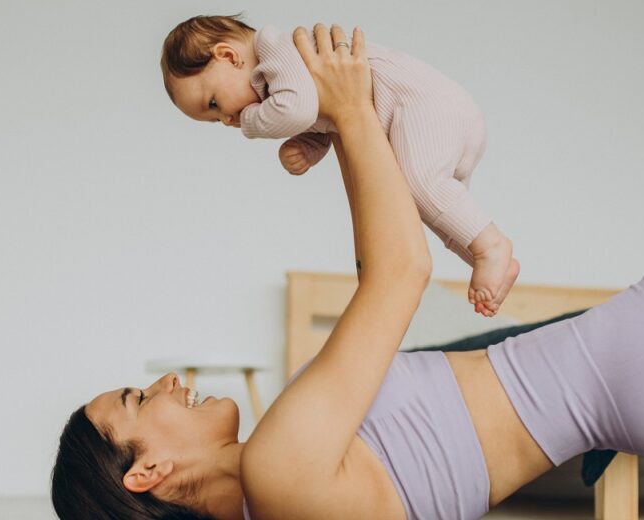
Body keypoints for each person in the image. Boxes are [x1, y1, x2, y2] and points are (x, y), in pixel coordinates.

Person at [51, 25, 644, 520]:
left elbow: (381, 256)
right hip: (637, 359)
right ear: (143, 474)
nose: (167, 383)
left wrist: (350, 123)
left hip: (639, 370)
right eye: (138, 398)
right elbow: (401, 272)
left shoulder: (283, 487)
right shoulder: (278, 467)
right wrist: (347, 110)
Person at [160, 14, 519, 316]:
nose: (225, 120)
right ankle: (485, 260)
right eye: (213, 121)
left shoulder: (275, 49)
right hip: (434, 116)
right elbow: (326, 118)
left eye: (213, 103)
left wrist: (252, 124)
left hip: (426, 104)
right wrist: (307, 147)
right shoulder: (282, 82)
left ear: (227, 55)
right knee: (422, 205)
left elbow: (298, 108)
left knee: (419, 183)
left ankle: (491, 246)